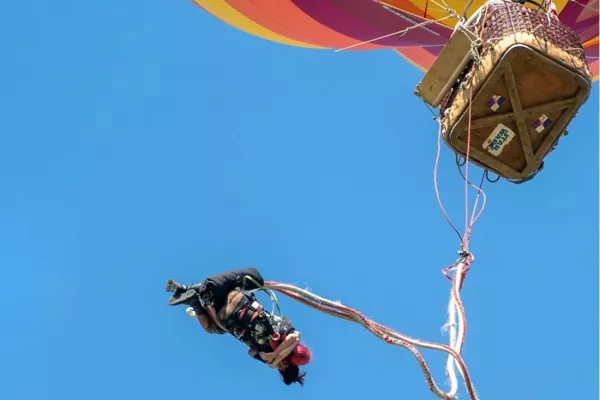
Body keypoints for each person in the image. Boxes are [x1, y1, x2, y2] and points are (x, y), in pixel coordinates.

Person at [165, 267, 311, 386]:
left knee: (211, 325)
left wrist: (269, 358)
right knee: (244, 279)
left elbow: (251, 352)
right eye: (285, 367)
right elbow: (294, 337)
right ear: (290, 362)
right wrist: (275, 355)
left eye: (281, 370)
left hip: (231, 313)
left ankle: (192, 299)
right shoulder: (285, 342)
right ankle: (191, 295)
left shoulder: (270, 354)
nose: (281, 367)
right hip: (232, 308)